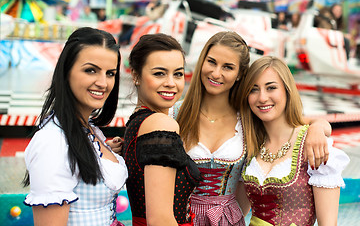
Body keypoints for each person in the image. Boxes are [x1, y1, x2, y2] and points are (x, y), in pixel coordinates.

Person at [174, 31, 332, 225]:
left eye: (228, 67)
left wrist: (317, 127)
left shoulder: (248, 119)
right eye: (211, 62)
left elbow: (295, 121)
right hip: (180, 218)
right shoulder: (176, 114)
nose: (216, 73)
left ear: (240, 74)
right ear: (201, 62)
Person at [23, 27, 128, 226]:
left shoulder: (88, 130)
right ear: (66, 71)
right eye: (91, 70)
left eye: (110, 73)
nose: (103, 83)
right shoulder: (52, 142)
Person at [238, 56, 349, 225]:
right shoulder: (249, 143)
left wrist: (317, 127)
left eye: (271, 88)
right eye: (254, 90)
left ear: (287, 90)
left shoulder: (313, 144)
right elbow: (238, 211)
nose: (262, 98)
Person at [122, 33, 201, 226]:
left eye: (178, 74)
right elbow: (160, 220)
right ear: (136, 76)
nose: (171, 83)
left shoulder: (138, 122)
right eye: (159, 73)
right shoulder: (161, 125)